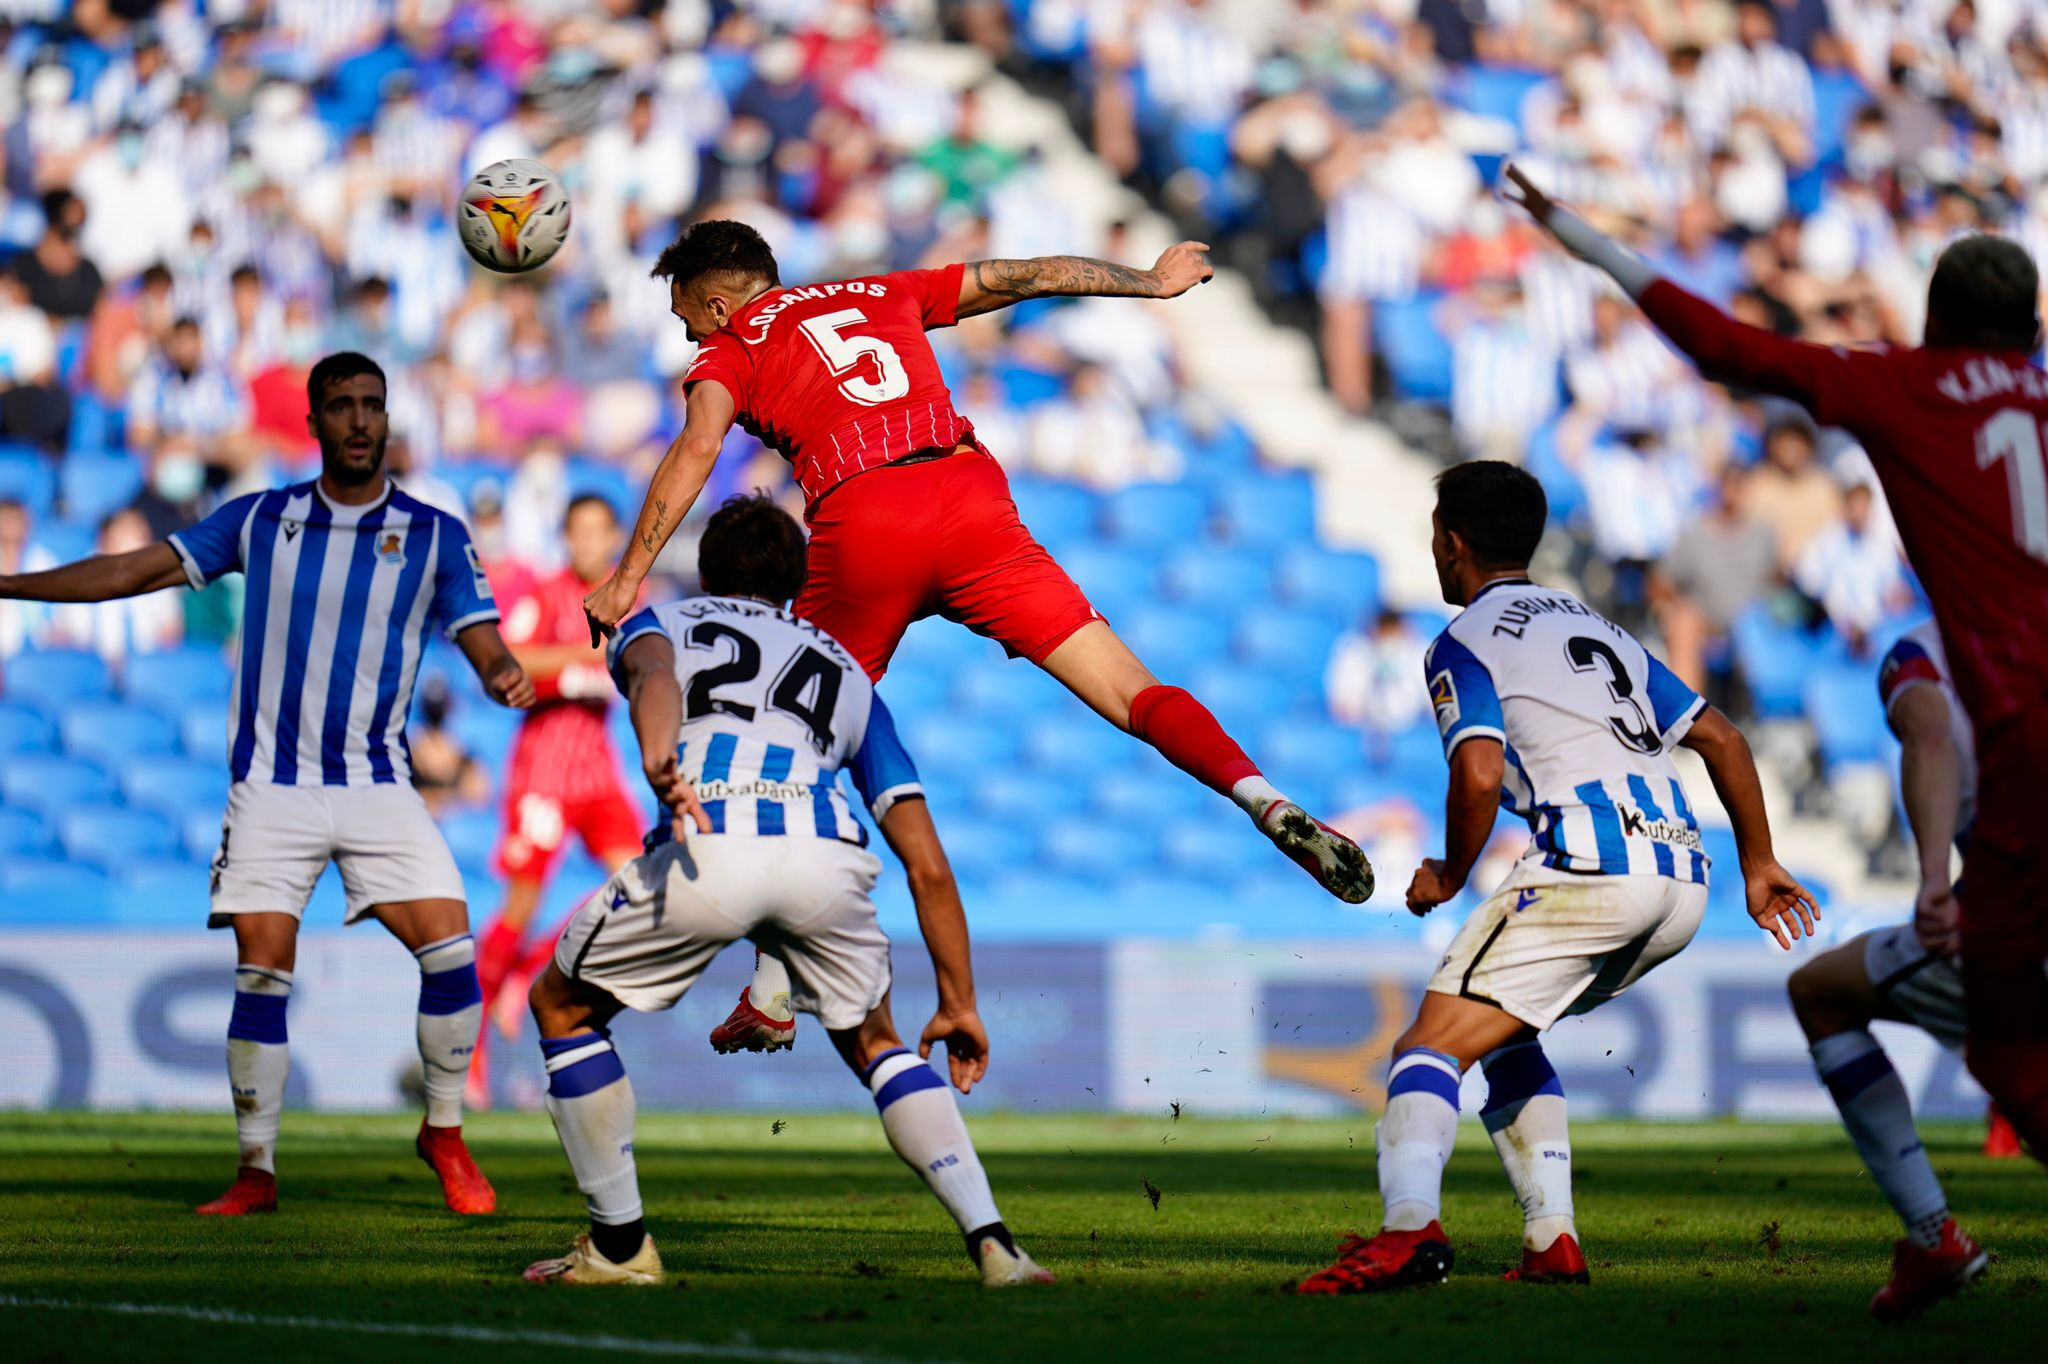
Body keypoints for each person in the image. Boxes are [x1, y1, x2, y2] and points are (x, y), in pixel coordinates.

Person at [580, 220, 1373, 931]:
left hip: (865, 521)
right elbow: (1019, 275)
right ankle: (1260, 797)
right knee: (1132, 689)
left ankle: (780, 981)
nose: (692, 342)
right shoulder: (880, 289)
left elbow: (698, 446)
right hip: (969, 501)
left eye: (688, 324)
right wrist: (1149, 283)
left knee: (793, 742)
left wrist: (626, 579)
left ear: (718, 306)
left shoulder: (735, 344)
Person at [1508, 162, 2048, 1167]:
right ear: (2028, 333)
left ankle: (1935, 1234)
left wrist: (1578, 236)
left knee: (2010, 1054)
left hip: (2019, 725)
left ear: (1931, 322)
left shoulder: (1903, 381)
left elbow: (1721, 348)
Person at [0, 351, 536, 1218]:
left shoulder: (436, 534)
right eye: (342, 407)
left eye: (373, 405)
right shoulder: (260, 519)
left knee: (450, 953)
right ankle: (256, 1170)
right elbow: (136, 571)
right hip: (272, 787)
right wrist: (10, 584)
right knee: (262, 973)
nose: (360, 420)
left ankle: (444, 1131)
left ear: (388, 419)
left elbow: (481, 639)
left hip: (377, 783)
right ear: (315, 423)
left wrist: (502, 672)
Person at [1297, 461, 1817, 1295]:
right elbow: (1722, 738)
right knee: (1509, 1032)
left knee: (1426, 1046)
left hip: (1590, 865)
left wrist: (1447, 870)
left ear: (1451, 544)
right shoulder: (1600, 626)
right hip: (1682, 875)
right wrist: (1758, 862)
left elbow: (1476, 772)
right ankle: (1552, 1242)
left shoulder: (1463, 640)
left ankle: (1406, 1235)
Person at [522, 494, 1051, 1290]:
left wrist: (661, 755)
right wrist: (958, 998)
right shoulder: (846, 674)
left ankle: (622, 1251)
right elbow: (928, 864)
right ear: (800, 584)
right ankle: (997, 1246)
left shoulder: (663, 620)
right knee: (877, 1044)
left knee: (563, 1008)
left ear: (706, 573)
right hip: (824, 855)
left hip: (709, 839)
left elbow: (657, 676)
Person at [1786, 621, 1998, 1321]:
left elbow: (1929, 735)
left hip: (2014, 927)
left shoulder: (1929, 650)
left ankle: (1934, 1235)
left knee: (1819, 994)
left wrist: (1934, 876)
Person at [474, 496, 646, 1046]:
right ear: (566, 538)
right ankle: (469, 1038)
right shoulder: (548, 596)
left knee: (641, 883)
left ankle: (530, 970)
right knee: (520, 906)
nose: (589, 543)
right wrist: (579, 653)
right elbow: (509, 654)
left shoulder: (630, 602)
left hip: (597, 771)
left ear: (614, 537)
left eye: (599, 532)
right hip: (543, 773)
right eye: (580, 532)